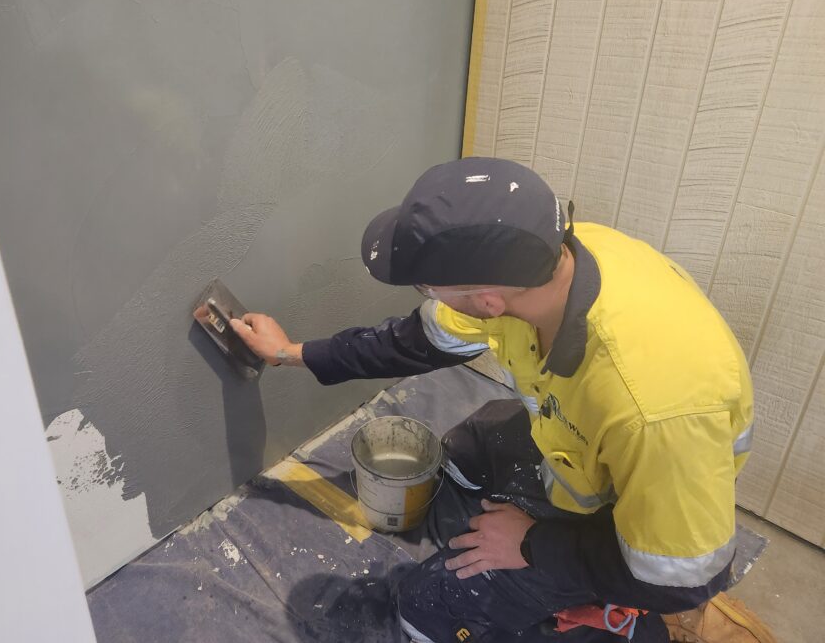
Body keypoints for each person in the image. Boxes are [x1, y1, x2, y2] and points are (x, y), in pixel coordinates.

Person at [230, 157, 776, 643]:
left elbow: (683, 576)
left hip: (641, 503)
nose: (428, 297)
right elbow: (414, 342)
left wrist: (533, 542)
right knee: (469, 449)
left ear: (488, 301)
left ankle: (618, 610)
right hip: (583, 437)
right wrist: (291, 353)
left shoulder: (653, 409)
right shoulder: (542, 260)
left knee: (428, 609)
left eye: (427, 286)